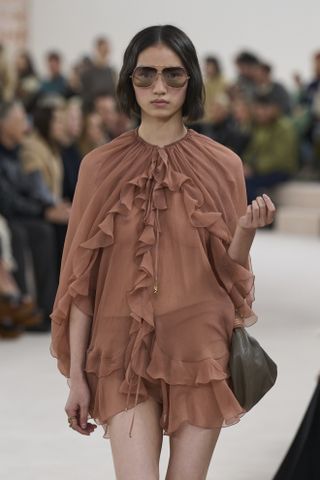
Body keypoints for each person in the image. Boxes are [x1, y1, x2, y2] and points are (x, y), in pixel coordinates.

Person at [50, 25, 276, 480]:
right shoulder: (100, 166)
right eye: (146, 75)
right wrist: (77, 375)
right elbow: (80, 280)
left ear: (191, 79)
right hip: (118, 350)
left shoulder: (222, 164)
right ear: (129, 82)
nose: (159, 88)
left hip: (198, 345)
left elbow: (231, 272)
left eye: (173, 76)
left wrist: (247, 232)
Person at [242, 91, 299, 203]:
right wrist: (243, 165)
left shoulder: (284, 127)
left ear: (275, 109)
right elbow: (252, 151)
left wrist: (254, 168)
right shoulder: (259, 126)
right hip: (262, 168)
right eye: (258, 108)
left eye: (265, 108)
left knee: (248, 183)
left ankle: (264, 218)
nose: (260, 112)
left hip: (282, 169)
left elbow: (280, 158)